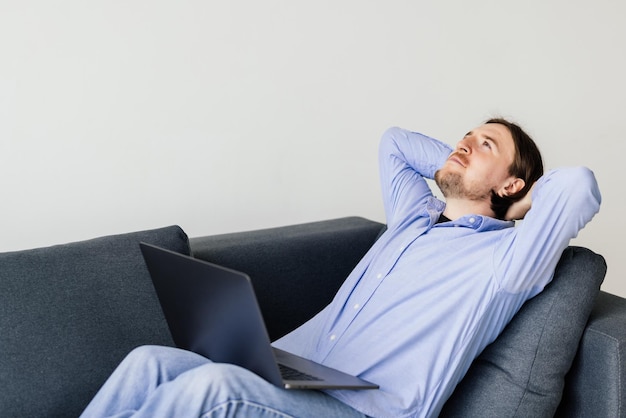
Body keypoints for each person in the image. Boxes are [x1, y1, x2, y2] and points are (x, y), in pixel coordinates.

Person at [81, 118, 601, 418]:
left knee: (211, 389)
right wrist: (461, 161)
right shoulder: (412, 217)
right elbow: (394, 141)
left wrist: (517, 204)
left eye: (486, 144)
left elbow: (577, 186)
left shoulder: (506, 261)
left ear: (512, 184)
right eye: (465, 134)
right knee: (148, 361)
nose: (465, 142)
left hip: (364, 413)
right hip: (296, 377)